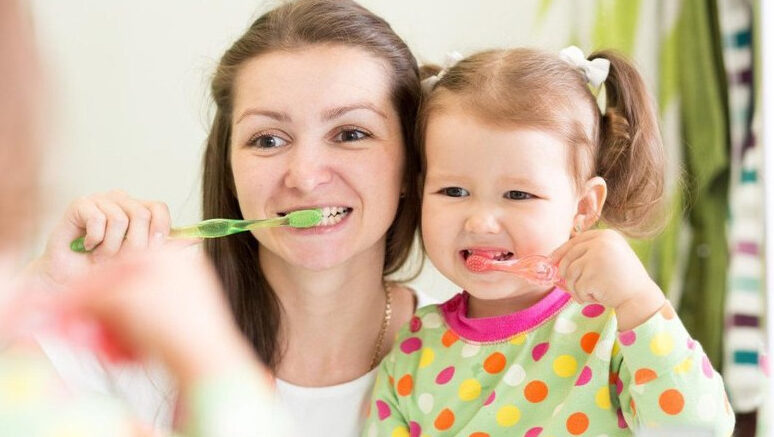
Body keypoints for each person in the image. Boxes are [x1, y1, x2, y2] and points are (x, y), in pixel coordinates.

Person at [25, 1, 428, 435]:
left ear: (410, 164)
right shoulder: (142, 334)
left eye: (351, 134)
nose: (306, 177)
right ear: (231, 169)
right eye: (269, 139)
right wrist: (46, 293)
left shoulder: (472, 363)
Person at [363, 47, 736, 436]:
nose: (481, 221)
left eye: (518, 195)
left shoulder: (615, 328)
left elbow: (700, 427)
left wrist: (640, 301)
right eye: (453, 191)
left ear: (583, 207)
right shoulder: (413, 353)